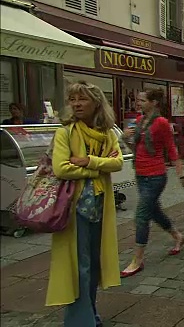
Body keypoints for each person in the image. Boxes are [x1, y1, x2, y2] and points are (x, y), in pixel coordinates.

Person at [48, 81, 123, 326]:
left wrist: (88, 161)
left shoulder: (107, 133)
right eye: (73, 99)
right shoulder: (65, 132)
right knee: (79, 267)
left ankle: (90, 313)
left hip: (100, 205)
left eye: (83, 99)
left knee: (93, 265)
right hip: (74, 208)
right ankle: (79, 321)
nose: (77, 104)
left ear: (96, 103)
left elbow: (118, 163)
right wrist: (98, 167)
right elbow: (61, 168)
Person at [120, 88, 184, 278]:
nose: (138, 103)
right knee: (154, 211)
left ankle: (137, 260)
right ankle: (177, 236)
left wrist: (182, 175)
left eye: (142, 100)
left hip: (156, 175)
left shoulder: (161, 123)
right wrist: (126, 139)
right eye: (138, 100)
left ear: (154, 102)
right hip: (141, 174)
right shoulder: (139, 121)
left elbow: (172, 150)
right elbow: (137, 148)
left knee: (142, 216)